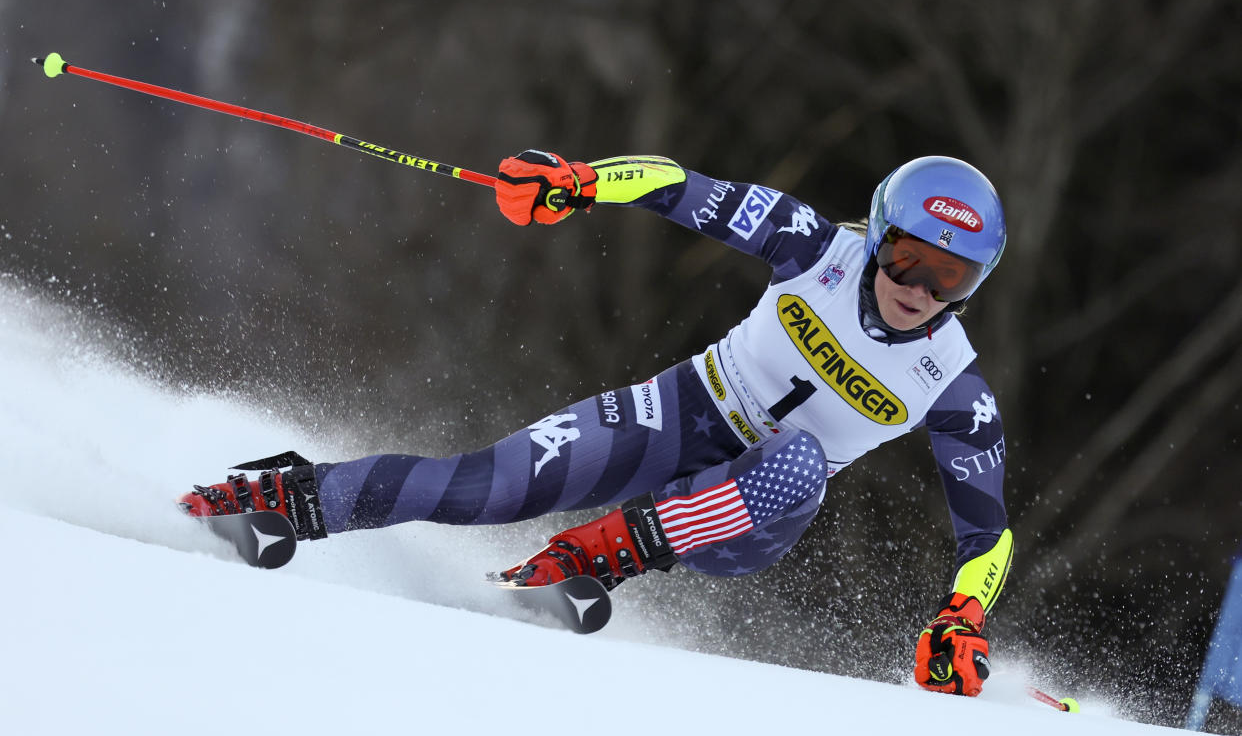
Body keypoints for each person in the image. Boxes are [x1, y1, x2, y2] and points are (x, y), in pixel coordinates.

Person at [179, 150, 1013, 697]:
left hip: (752, 515)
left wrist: (960, 620)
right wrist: (579, 181)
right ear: (878, 237)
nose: (921, 291)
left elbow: (989, 536)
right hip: (683, 410)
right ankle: (283, 498)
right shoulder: (814, 245)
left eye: (951, 278)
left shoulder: (955, 385)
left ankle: (592, 557)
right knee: (491, 482)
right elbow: (681, 188)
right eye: (909, 258)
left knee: (797, 460)